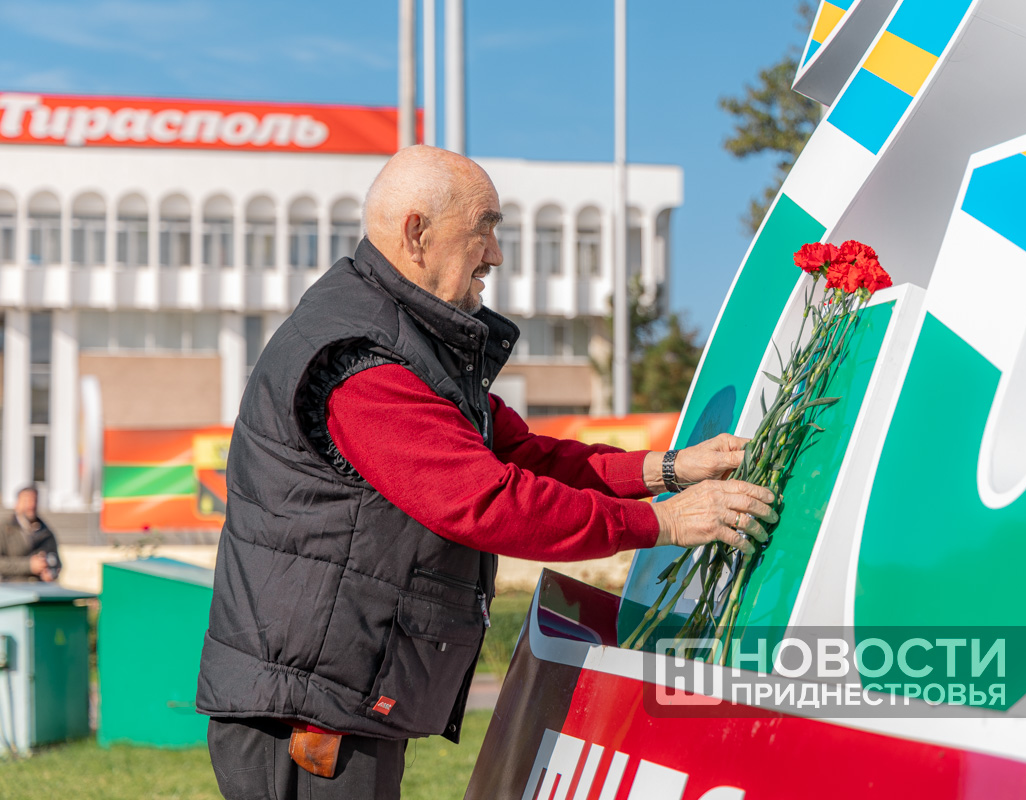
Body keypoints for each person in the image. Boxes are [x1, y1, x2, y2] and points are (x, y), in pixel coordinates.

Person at [197, 145, 776, 799]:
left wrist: (666, 470)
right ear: (417, 233)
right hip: (306, 712)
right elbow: (487, 500)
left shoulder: (411, 347)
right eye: (485, 228)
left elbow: (523, 456)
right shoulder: (365, 362)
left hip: (330, 695)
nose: (495, 255)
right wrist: (663, 524)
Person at [0, 485, 60, 583]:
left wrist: (51, 573)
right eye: (26, 501)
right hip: (11, 588)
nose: (31, 505)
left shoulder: (46, 532)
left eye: (34, 500)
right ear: (17, 504)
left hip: (40, 588)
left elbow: (56, 562)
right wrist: (28, 566)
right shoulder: (4, 529)